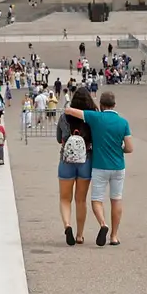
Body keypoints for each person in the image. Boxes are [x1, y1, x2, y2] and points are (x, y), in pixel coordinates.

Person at [65, 89, 132, 247]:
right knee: (116, 199)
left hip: (100, 166)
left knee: (97, 200)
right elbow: (129, 148)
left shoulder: (96, 117)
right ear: (114, 105)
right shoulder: (123, 122)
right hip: (118, 166)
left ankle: (103, 224)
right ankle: (114, 236)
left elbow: (69, 111)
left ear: (101, 105)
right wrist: (118, 148)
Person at [56, 88, 95, 246]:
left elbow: (59, 139)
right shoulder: (92, 118)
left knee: (65, 198)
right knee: (81, 200)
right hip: (86, 160)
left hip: (66, 161)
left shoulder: (64, 117)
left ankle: (67, 225)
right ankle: (79, 235)